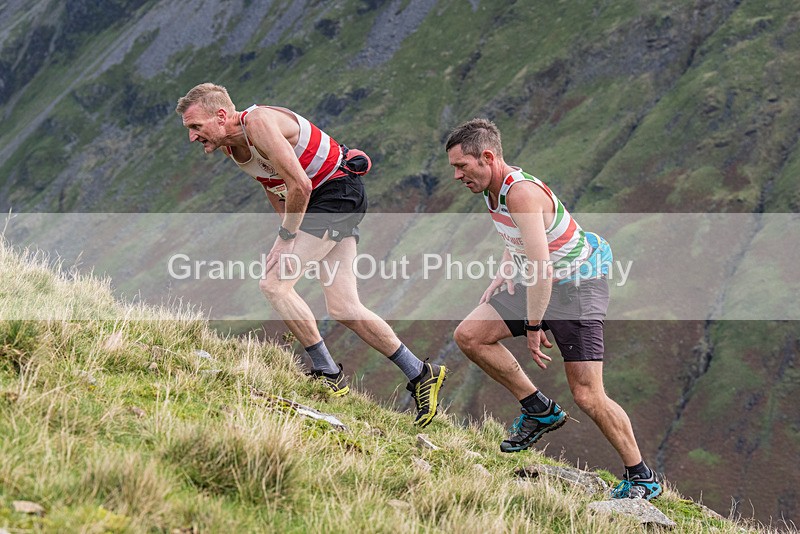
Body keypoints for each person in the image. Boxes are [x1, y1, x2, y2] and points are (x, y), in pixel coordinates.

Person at [175, 83, 446, 427]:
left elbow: (300, 185)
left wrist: (287, 239)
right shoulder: (234, 149)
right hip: (325, 203)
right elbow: (274, 187)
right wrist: (287, 234)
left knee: (274, 285)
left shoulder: (257, 122)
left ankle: (327, 373)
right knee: (344, 308)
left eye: (195, 127)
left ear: (222, 115)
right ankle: (421, 373)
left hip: (335, 195)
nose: (192, 138)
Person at [445, 118, 662, 500]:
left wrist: (532, 326)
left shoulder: (522, 193)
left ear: (488, 157)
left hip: (576, 288)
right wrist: (505, 270)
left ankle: (641, 476)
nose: (457, 175)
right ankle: (539, 409)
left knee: (587, 394)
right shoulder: (488, 188)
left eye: (461, 166)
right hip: (541, 280)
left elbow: (542, 265)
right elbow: (524, 241)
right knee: (470, 336)